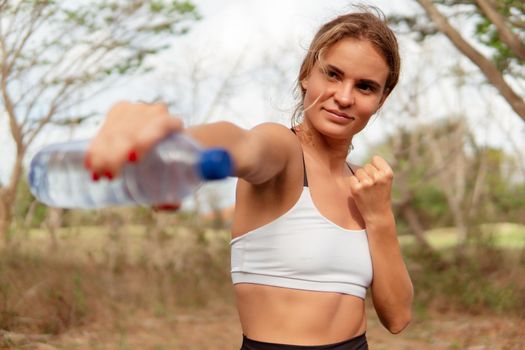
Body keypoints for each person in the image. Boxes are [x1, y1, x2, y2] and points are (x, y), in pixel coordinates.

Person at [86, 7, 413, 350]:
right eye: (332, 75)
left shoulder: (363, 185)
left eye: (364, 87)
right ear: (307, 74)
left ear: (380, 100)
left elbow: (398, 317)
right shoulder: (284, 151)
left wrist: (379, 217)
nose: (344, 97)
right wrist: (172, 141)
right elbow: (241, 144)